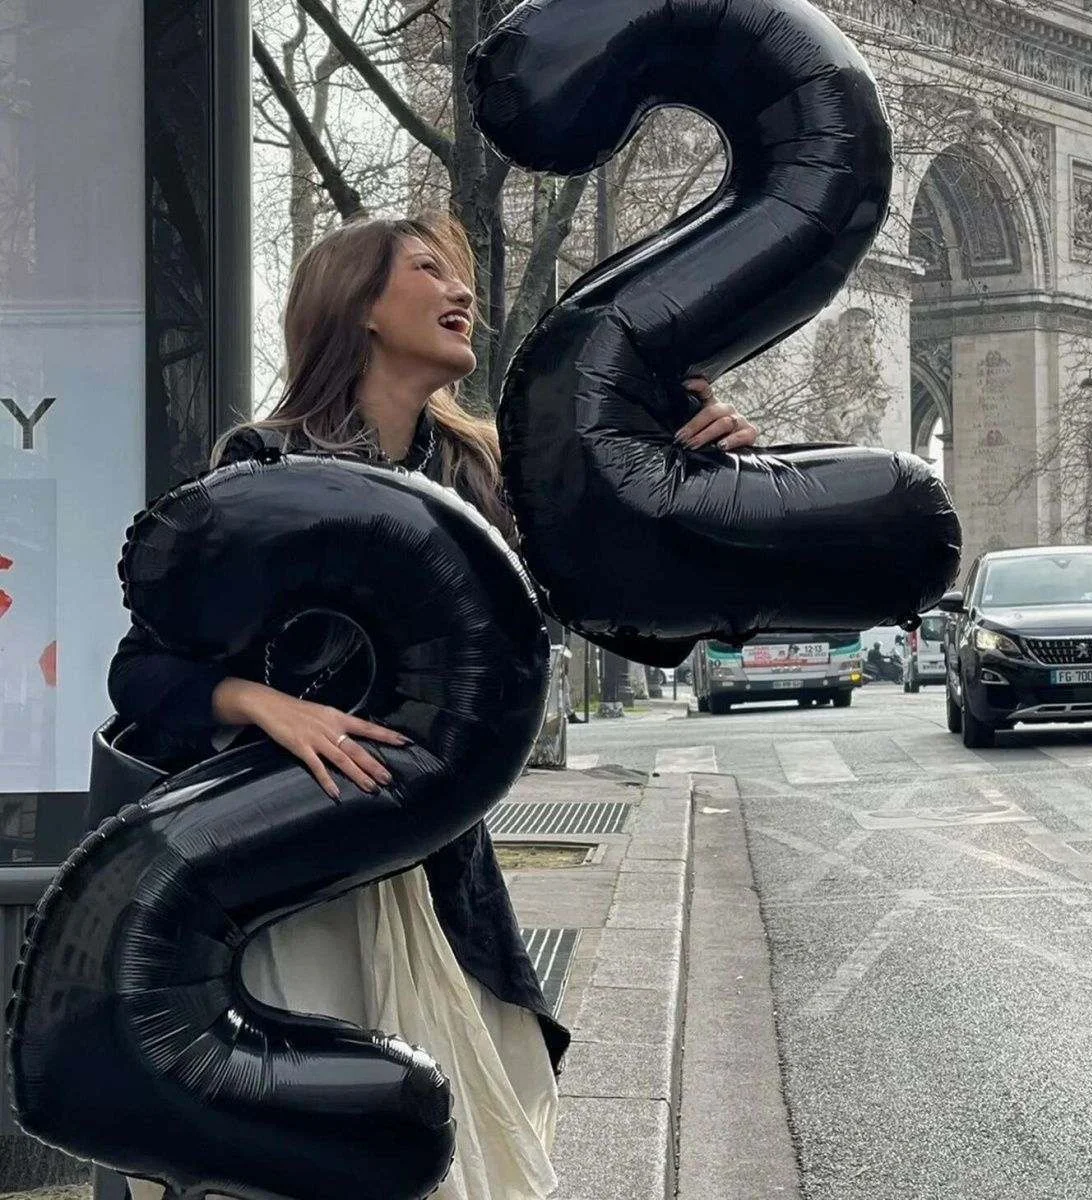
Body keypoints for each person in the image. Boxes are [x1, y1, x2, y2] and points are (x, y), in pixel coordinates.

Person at [107, 213, 759, 1200]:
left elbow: (642, 624)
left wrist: (691, 480)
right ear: (360, 306)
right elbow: (142, 671)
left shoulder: (488, 477)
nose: (462, 293)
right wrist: (264, 706)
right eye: (427, 271)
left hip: (437, 881)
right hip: (287, 886)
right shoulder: (264, 464)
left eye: (460, 273)